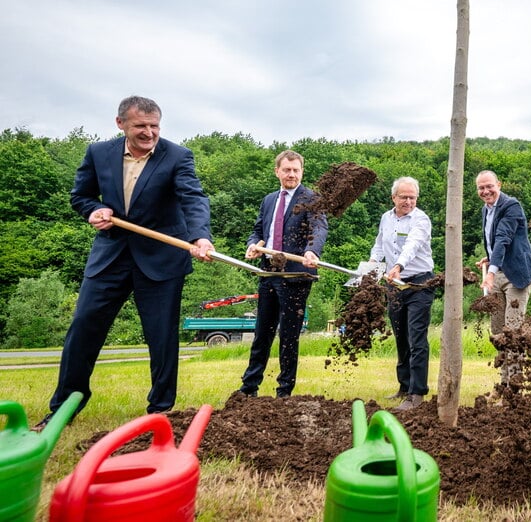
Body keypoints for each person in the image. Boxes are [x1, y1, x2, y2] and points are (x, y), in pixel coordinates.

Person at [34, 95, 215, 430]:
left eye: (154, 126)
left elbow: (193, 198)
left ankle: (160, 411)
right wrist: (93, 210)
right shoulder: (98, 153)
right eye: (140, 126)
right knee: (83, 328)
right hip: (111, 257)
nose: (149, 133)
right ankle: (63, 408)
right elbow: (80, 196)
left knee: (161, 337)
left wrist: (199, 237)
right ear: (121, 124)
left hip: (162, 260)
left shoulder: (177, 156)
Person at [238, 150, 328, 399]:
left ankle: (284, 391)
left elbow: (319, 228)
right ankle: (249, 387)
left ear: (302, 171)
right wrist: (253, 243)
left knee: (288, 336)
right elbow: (258, 229)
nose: (291, 174)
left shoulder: (311, 198)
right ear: (277, 171)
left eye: (296, 170)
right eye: (287, 170)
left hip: (295, 276)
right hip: (268, 273)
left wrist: (313, 251)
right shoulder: (269, 200)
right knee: (262, 333)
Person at [369, 177, 435, 412]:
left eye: (412, 197)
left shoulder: (421, 219)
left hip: (419, 283)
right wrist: (372, 264)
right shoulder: (386, 218)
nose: (408, 201)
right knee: (401, 336)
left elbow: (413, 245)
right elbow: (379, 244)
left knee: (416, 338)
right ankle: (404, 386)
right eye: (404, 197)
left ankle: (417, 393)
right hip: (394, 285)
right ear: (393, 198)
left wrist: (398, 266)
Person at [475, 170, 531, 392]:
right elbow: (493, 242)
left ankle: (514, 386)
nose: (486, 191)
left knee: (512, 331)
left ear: (499, 184)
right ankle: (505, 380)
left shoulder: (511, 206)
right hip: (497, 271)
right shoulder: (486, 209)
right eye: (481, 188)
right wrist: (490, 258)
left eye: (489, 186)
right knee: (498, 332)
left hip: (516, 275)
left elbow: (504, 238)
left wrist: (490, 273)